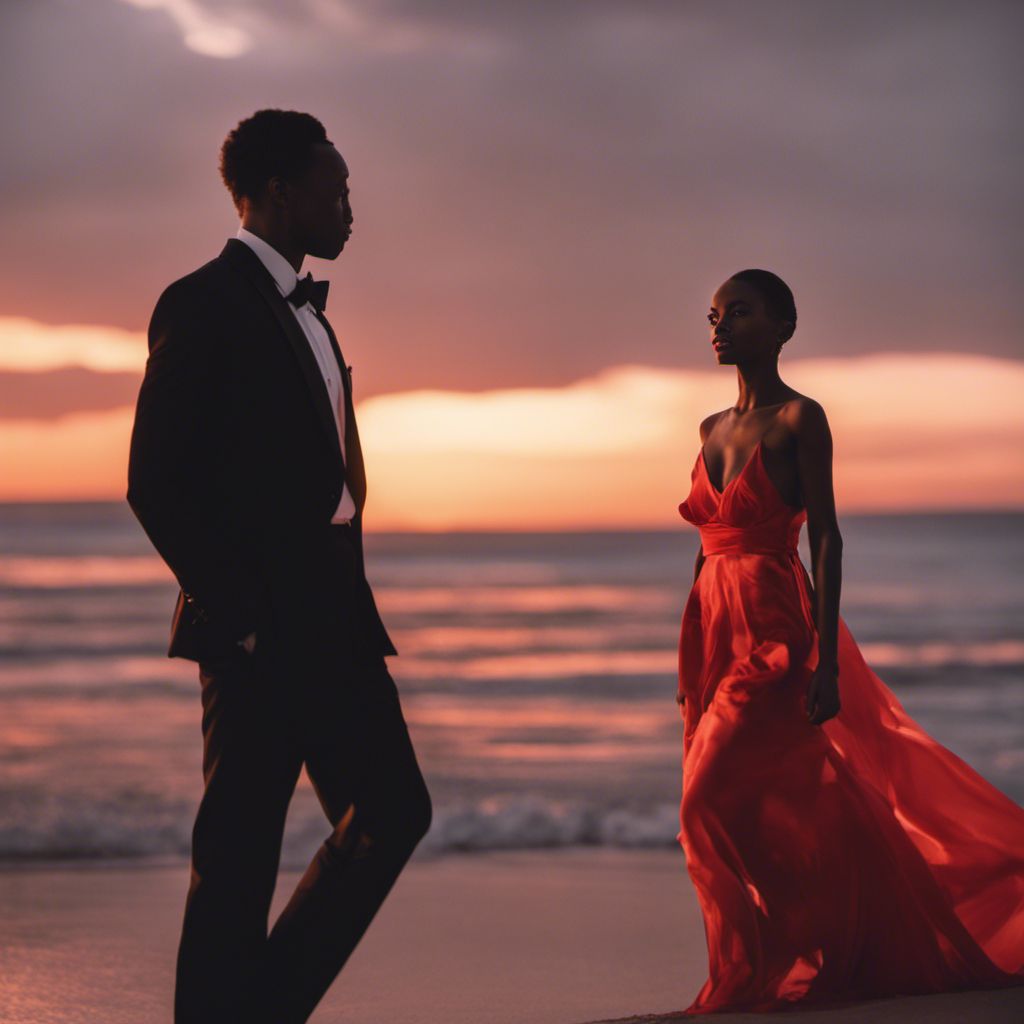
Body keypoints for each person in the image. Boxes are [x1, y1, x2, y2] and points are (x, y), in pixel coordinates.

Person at [126, 109, 431, 1024]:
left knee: (393, 810)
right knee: (239, 857)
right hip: (262, 629)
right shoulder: (202, 301)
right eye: (335, 191)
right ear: (279, 193)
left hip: (334, 617)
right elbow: (154, 480)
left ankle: (257, 1008)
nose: (348, 209)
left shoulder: (312, 314)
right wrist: (243, 614)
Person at [675, 269, 1024, 1014]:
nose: (720, 325)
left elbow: (827, 537)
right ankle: (816, 938)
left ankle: (757, 966)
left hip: (774, 631)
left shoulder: (803, 418)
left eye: (739, 311)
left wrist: (825, 658)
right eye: (714, 314)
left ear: (783, 325)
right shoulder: (708, 430)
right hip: (712, 630)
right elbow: (707, 549)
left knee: (705, 800)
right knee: (777, 802)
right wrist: (692, 643)